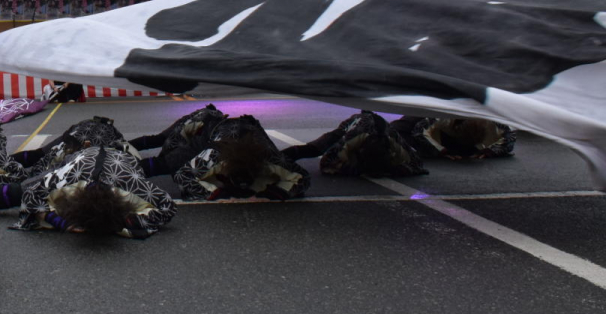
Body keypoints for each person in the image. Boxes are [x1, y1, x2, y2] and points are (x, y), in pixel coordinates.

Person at [11, 145, 177, 238]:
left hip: (118, 155)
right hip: (83, 156)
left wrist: (123, 222)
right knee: (31, 183)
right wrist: (63, 223)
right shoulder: (67, 178)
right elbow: (30, 194)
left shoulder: (129, 182)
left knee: (30, 184)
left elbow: (168, 206)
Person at [171, 115, 311, 201]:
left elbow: (302, 178)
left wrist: (274, 193)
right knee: (169, 161)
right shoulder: (212, 156)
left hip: (251, 131)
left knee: (287, 163)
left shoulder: (269, 156)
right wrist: (218, 193)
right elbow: (182, 176)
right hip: (214, 129)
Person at [282, 111, 426, 178]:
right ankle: (282, 156)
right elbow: (327, 163)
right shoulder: (353, 138)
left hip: (381, 131)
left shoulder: (393, 141)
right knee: (317, 147)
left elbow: (416, 163)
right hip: (353, 128)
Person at [127, 104, 229, 177]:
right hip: (206, 131)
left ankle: (120, 152)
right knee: (166, 163)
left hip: (204, 117)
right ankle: (121, 169)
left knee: (159, 143)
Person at [389, 116, 517, 160]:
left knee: (467, 152)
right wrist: (441, 151)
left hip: (462, 135)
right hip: (425, 122)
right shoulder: (441, 117)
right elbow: (419, 132)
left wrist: (490, 151)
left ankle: (463, 147)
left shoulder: (492, 121)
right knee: (396, 131)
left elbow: (510, 137)